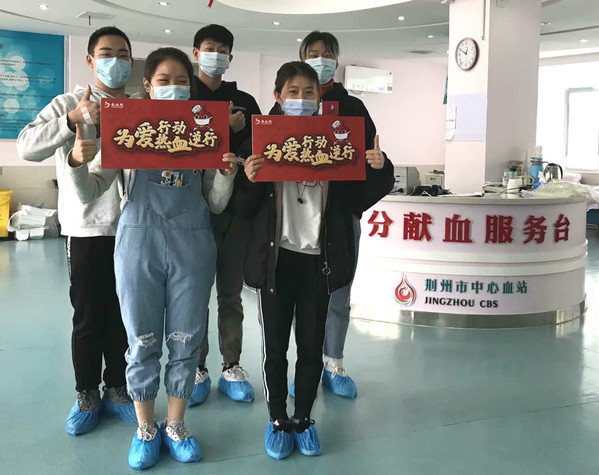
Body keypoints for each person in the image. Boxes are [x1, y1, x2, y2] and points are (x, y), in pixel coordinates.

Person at [66, 47, 238, 470]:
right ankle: (145, 426)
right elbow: (89, 192)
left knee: (186, 338)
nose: (173, 88)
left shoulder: (204, 131)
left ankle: (176, 424)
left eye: (181, 81)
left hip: (193, 243)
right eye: (163, 81)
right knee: (141, 339)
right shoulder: (127, 128)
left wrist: (225, 174)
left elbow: (216, 203)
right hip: (138, 241)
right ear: (147, 85)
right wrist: (76, 161)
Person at [237, 61, 394, 459]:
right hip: (276, 262)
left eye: (309, 93)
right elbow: (242, 208)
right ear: (278, 96)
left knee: (310, 348)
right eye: (293, 92)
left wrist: (380, 169)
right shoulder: (261, 140)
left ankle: (304, 418)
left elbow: (358, 200)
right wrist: (249, 180)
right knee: (275, 348)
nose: (302, 99)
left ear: (320, 98)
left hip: (318, 262)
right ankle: (277, 419)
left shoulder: (336, 143)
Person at [16, 26, 137, 435]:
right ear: (90, 60)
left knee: (123, 314)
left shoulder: (137, 109)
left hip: (133, 229)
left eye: (123, 54)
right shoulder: (68, 103)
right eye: (107, 53)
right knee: (88, 316)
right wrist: (71, 121)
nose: (116, 61)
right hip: (86, 229)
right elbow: (26, 145)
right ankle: (87, 392)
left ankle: (117, 387)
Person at [279, 31, 384, 399]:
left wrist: (378, 165)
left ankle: (334, 362)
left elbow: (371, 160)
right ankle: (304, 366)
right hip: (292, 222)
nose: (320, 60)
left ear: (336, 61)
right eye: (313, 53)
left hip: (337, 219)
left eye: (327, 54)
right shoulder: (284, 110)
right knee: (297, 300)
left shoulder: (353, 108)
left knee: (338, 292)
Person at [187, 24, 262, 406]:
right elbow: (179, 146)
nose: (215, 55)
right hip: (189, 216)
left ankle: (231, 365)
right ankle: (196, 366)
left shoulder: (245, 103)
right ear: (196, 52)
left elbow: (258, 153)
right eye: (209, 48)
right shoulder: (182, 99)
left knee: (231, 295)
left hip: (234, 216)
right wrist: (222, 128)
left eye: (222, 50)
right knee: (194, 295)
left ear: (230, 57)